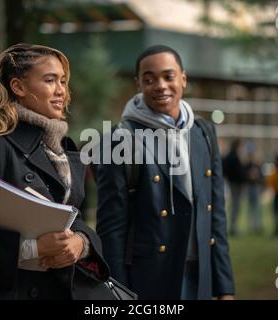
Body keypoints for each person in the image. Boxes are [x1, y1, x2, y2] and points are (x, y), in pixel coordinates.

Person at [0, 43, 109, 299]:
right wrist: (32, 248)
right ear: (18, 87)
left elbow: (76, 217)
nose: (61, 90)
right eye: (50, 80)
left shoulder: (65, 149)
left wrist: (81, 243)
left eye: (63, 81)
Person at [95, 45, 235, 300]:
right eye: (149, 79)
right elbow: (111, 230)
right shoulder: (119, 139)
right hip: (150, 279)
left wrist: (224, 287)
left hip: (200, 276)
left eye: (168, 76)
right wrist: (117, 294)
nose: (160, 85)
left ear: (183, 78)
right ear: (138, 84)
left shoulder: (203, 132)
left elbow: (216, 215)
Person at [223, 139, 245, 236]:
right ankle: (233, 227)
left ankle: (232, 226)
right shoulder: (234, 157)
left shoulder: (229, 156)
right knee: (235, 207)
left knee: (234, 206)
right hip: (235, 184)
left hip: (232, 183)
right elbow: (237, 172)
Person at [243, 142, 264, 234]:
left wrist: (257, 177)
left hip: (256, 187)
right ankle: (251, 226)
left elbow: (261, 177)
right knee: (250, 208)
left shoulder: (258, 165)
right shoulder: (246, 165)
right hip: (249, 187)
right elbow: (243, 176)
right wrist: (249, 176)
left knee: (258, 207)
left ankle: (258, 225)